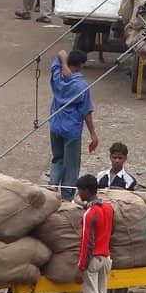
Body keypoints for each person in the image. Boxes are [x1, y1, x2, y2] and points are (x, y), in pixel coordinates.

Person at [48, 49, 98, 199]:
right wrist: (93, 133)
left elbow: (60, 53)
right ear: (81, 65)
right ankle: (67, 195)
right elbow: (86, 112)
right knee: (71, 165)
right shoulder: (81, 86)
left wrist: (63, 61)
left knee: (58, 158)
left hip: (55, 125)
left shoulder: (57, 77)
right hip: (72, 130)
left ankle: (53, 184)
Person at [77, 174, 114, 293]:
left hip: (93, 260)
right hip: (106, 258)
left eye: (79, 190)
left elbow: (87, 243)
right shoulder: (108, 208)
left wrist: (81, 268)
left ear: (86, 191)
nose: (78, 193)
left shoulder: (90, 214)